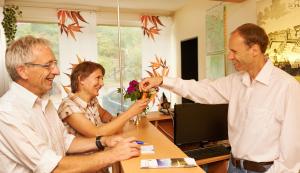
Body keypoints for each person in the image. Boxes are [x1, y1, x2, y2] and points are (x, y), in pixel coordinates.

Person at [139, 23, 300, 173]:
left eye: (234, 51)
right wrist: (162, 80)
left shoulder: (286, 87)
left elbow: (292, 149)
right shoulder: (236, 81)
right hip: (234, 167)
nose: (230, 56)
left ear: (255, 50)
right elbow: (201, 89)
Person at [0, 35, 141, 173]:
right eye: (48, 65)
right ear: (23, 71)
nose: (56, 71)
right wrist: (113, 154)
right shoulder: (7, 112)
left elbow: (66, 142)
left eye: (54, 64)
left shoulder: (45, 104)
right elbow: (53, 167)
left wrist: (104, 141)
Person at [57, 61, 148, 137]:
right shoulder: (68, 107)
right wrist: (130, 112)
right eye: (98, 78)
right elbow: (96, 133)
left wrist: (112, 121)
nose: (102, 83)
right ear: (81, 80)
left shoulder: (93, 100)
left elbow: (104, 114)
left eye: (102, 79)